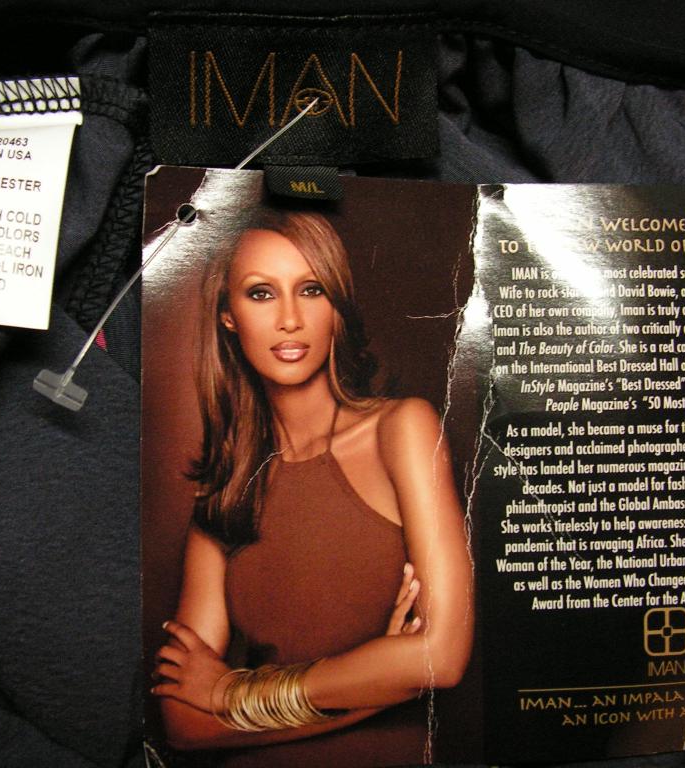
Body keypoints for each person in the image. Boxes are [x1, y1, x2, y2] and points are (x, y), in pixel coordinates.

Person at [151, 210, 474, 767]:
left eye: (311, 289)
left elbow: (441, 659)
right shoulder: (226, 493)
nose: (290, 319)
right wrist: (378, 687)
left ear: (336, 305)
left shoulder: (402, 430)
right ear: (228, 316)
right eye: (261, 293)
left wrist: (232, 693)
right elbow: (182, 725)